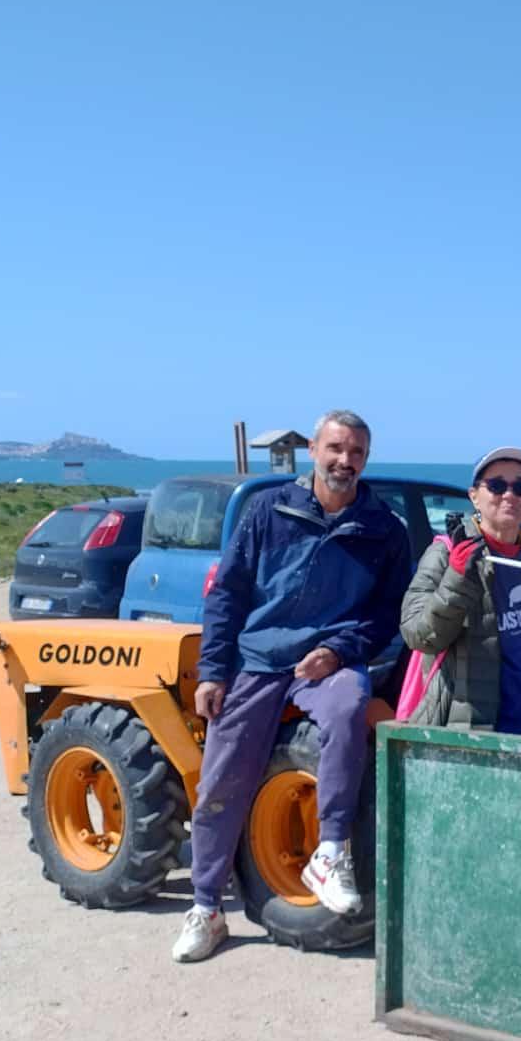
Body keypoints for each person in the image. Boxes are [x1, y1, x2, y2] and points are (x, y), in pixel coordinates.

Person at [173, 410, 413, 962]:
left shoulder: (384, 530)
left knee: (351, 705)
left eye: (355, 452)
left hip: (328, 660)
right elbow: (228, 594)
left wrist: (340, 651)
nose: (343, 461)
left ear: (366, 459)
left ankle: (330, 852)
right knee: (220, 778)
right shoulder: (267, 511)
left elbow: (387, 616)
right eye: (334, 448)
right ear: (312, 449)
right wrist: (213, 670)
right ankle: (206, 908)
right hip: (258, 659)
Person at [398, 446, 521, 736]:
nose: (509, 495)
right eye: (497, 485)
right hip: (476, 726)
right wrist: (457, 578)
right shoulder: (444, 554)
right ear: (473, 495)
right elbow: (418, 635)